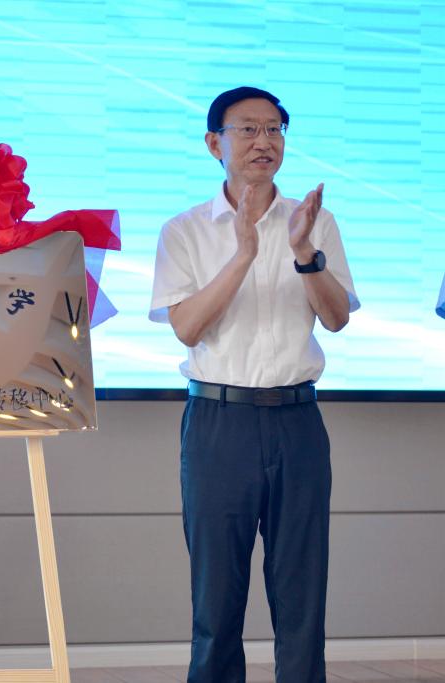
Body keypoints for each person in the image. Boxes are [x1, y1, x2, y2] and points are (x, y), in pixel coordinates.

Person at [150, 86, 359, 683]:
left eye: (274, 129)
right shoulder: (185, 230)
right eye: (247, 129)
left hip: (298, 420)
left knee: (302, 589)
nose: (263, 141)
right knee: (216, 594)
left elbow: (336, 318)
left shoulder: (314, 222)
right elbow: (187, 327)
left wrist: (303, 252)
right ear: (213, 143)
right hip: (219, 424)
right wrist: (244, 254)